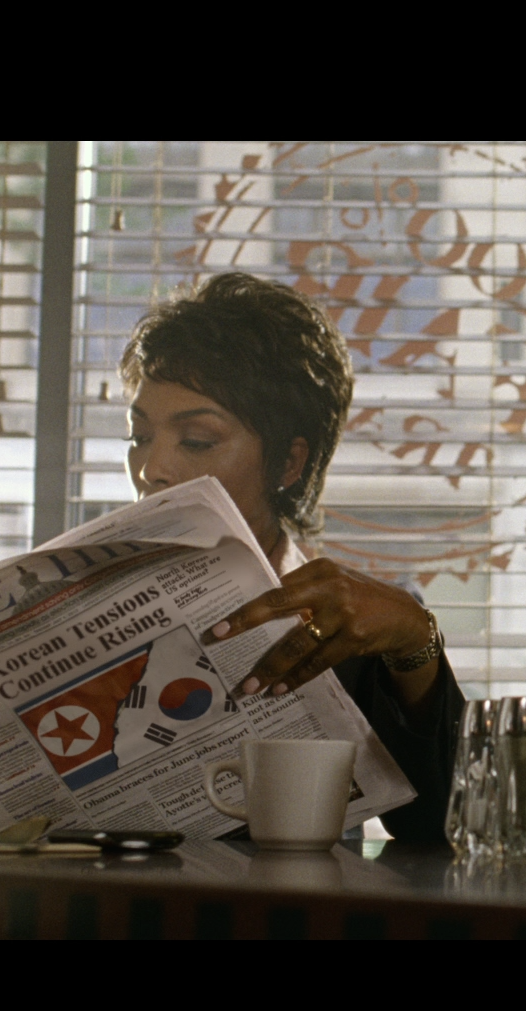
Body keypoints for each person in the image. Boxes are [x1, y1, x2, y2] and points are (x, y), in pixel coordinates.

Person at [116, 272, 458, 842]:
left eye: (196, 440)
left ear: (288, 463)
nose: (152, 470)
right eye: (138, 436)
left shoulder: (349, 620)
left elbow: (442, 828)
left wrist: (416, 646)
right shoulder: (88, 590)